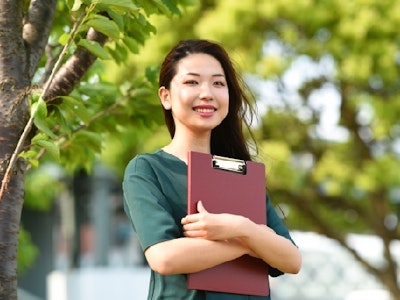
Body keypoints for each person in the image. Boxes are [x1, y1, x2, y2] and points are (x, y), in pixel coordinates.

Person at [123, 39, 301, 299]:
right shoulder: (147, 170)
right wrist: (251, 241)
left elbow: (291, 259)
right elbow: (164, 258)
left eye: (218, 83)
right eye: (192, 82)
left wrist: (240, 227)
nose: (207, 93)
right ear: (166, 96)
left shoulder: (243, 175)